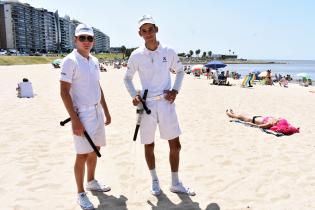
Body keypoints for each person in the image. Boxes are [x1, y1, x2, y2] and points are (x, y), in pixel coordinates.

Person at [124, 15, 195, 196]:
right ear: (140, 33)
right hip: (146, 105)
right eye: (144, 30)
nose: (148, 33)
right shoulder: (136, 55)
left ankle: (175, 182)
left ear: (157, 29)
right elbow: (127, 78)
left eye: (150, 29)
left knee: (175, 145)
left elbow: (180, 71)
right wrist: (134, 96)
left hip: (165, 103)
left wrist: (175, 91)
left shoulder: (168, 51)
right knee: (149, 144)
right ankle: (155, 180)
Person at [60, 23, 111, 210]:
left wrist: (106, 110)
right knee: (81, 154)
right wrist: (75, 120)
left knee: (95, 148)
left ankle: (91, 181)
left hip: (97, 111)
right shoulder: (70, 61)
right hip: (81, 113)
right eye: (82, 38)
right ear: (75, 40)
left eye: (89, 38)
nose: (86, 41)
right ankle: (80, 193)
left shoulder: (94, 60)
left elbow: (98, 86)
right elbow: (64, 92)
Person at [226, 109, 299, 135]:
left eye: (279, 120)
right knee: (241, 115)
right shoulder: (274, 120)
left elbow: (257, 126)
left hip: (252, 119)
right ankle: (233, 113)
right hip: (256, 117)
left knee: (239, 116)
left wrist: (247, 124)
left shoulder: (270, 124)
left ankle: (229, 114)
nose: (279, 119)